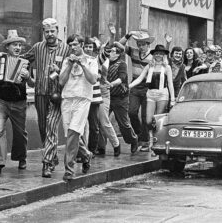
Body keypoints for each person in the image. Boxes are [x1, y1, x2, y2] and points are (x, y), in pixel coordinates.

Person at [0, 30, 35, 175]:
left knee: (20, 133)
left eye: (19, 45)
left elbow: (33, 84)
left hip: (19, 102)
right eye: (14, 45)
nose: (17, 48)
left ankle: (21, 157)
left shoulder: (26, 63)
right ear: (7, 47)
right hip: (1, 101)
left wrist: (28, 77)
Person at [22, 18, 70, 178]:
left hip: (57, 95)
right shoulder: (37, 47)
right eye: (46, 31)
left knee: (50, 126)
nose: (49, 34)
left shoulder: (66, 49)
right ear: (43, 32)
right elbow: (23, 60)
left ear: (58, 31)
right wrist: (26, 77)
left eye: (52, 31)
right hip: (40, 93)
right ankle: (53, 156)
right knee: (43, 128)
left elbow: (72, 71)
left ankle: (47, 163)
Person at [59, 34, 98, 181]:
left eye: (75, 44)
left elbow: (93, 80)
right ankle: (86, 154)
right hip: (67, 99)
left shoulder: (92, 60)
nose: (72, 47)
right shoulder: (66, 61)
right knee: (70, 134)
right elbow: (61, 82)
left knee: (74, 133)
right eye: (70, 45)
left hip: (83, 99)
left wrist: (82, 64)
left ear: (81, 44)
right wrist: (69, 65)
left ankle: (69, 168)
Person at [129, 44, 175, 151]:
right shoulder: (149, 66)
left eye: (160, 53)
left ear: (163, 55)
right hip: (150, 94)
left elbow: (170, 84)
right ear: (153, 55)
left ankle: (156, 145)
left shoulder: (167, 67)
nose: (158, 55)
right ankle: (150, 142)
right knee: (148, 121)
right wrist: (129, 86)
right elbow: (140, 78)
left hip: (162, 94)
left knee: (158, 121)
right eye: (156, 53)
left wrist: (172, 99)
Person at [119, 30, 155, 151]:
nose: (140, 47)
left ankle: (145, 141)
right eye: (139, 44)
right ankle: (139, 134)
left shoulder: (152, 57)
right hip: (134, 85)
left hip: (147, 86)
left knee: (145, 116)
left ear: (148, 44)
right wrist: (128, 35)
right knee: (132, 112)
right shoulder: (134, 52)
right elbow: (119, 46)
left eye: (143, 44)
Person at [106, 44, 139, 153]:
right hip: (106, 97)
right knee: (102, 121)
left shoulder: (122, 64)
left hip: (120, 97)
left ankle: (133, 140)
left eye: (112, 51)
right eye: (109, 51)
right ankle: (101, 146)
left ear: (118, 54)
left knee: (123, 124)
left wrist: (111, 84)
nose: (110, 53)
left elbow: (122, 78)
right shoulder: (105, 63)